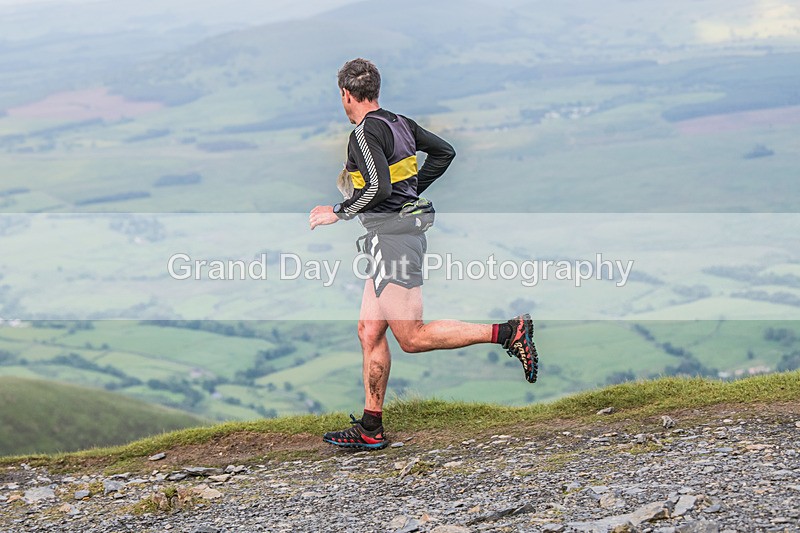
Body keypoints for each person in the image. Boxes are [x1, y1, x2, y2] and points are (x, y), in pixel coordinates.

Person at [309, 58, 539, 450]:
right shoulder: (401, 124)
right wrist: (411, 192)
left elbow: (379, 188)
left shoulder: (364, 133)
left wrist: (339, 211)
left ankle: (507, 332)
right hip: (388, 238)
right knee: (369, 330)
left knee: (412, 337)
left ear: (346, 95)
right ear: (375, 90)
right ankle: (371, 426)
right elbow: (444, 153)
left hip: (393, 241)